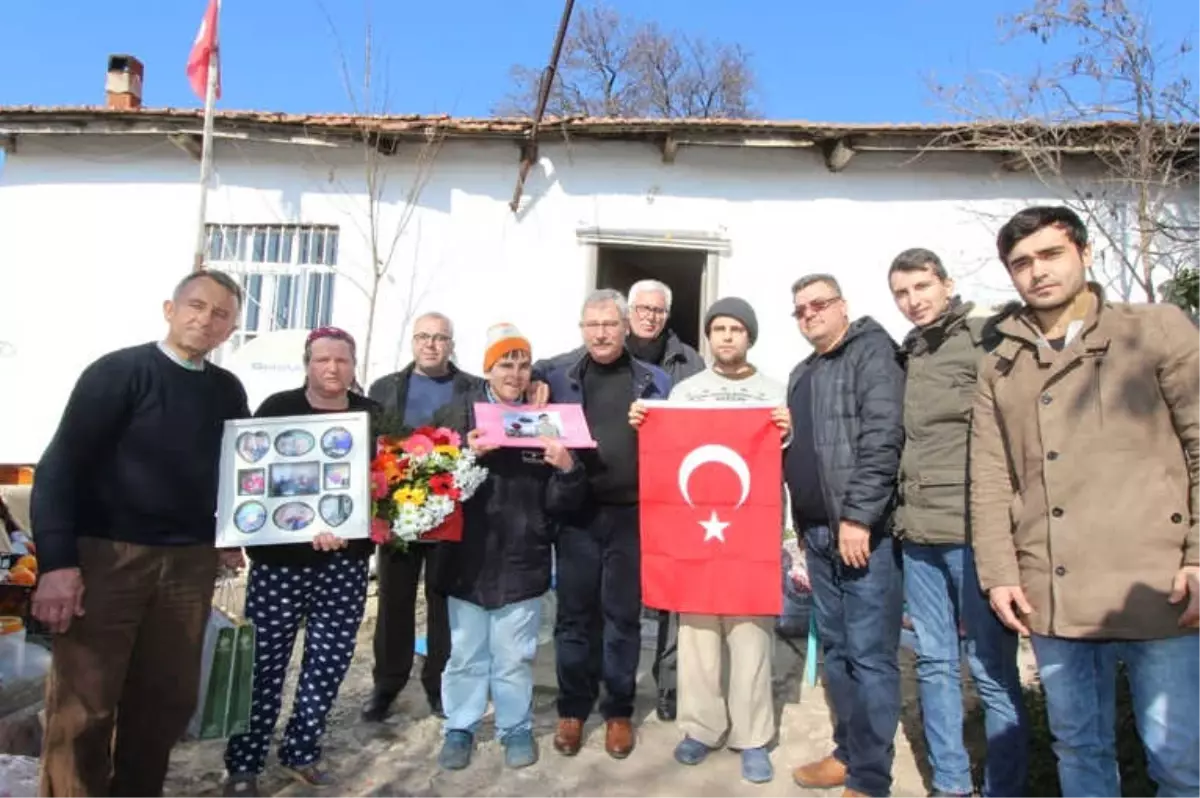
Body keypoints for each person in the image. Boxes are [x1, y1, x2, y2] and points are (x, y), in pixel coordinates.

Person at [971, 205, 1200, 798]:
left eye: (1051, 255)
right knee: (1078, 748)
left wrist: (1199, 555)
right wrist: (999, 573)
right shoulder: (1000, 364)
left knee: (1176, 757)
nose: (1037, 272)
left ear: (1085, 254)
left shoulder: (1156, 331)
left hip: (1158, 583)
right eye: (1021, 263)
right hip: (1054, 585)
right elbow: (991, 475)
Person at [31, 269, 249, 798]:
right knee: (86, 705)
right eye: (196, 305)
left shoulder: (226, 390)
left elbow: (238, 471)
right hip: (109, 557)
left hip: (189, 564)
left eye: (221, 314)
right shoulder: (120, 373)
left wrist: (231, 527)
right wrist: (58, 565)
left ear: (230, 330)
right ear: (170, 309)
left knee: (164, 703)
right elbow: (60, 467)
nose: (206, 318)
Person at [629, 297, 791, 784]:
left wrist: (789, 429)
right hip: (695, 537)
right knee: (698, 637)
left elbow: (789, 459)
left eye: (736, 329)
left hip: (750, 537)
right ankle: (700, 727)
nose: (725, 337)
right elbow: (665, 454)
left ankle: (752, 736)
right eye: (718, 328)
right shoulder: (686, 392)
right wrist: (645, 422)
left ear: (750, 337)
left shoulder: (774, 393)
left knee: (750, 640)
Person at [888, 249, 1028, 798]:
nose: (913, 300)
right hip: (918, 533)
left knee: (992, 671)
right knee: (934, 663)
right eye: (902, 292)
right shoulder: (913, 349)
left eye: (923, 286)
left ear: (947, 284)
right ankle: (950, 784)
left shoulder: (985, 335)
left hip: (973, 534)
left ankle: (1004, 788)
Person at [535, 279, 703, 720]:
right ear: (581, 328)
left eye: (610, 323)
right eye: (592, 325)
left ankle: (618, 711)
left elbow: (681, 435)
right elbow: (527, 374)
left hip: (631, 515)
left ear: (625, 326)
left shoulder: (655, 380)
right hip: (577, 514)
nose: (601, 333)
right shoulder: (560, 375)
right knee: (573, 615)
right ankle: (573, 708)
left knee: (622, 618)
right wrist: (532, 378)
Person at [223, 327, 380, 795]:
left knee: (327, 662)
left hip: (345, 564)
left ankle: (302, 751)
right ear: (307, 363)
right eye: (322, 360)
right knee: (265, 665)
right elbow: (249, 476)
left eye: (342, 360)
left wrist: (363, 519)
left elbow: (386, 486)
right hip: (279, 565)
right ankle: (244, 763)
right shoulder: (276, 408)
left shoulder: (372, 416)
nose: (332, 368)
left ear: (354, 366)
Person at [428, 323, 587, 772]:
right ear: (487, 369)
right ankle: (460, 725)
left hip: (523, 555)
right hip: (467, 559)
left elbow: (563, 503)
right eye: (505, 364)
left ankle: (514, 726)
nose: (514, 374)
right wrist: (465, 453)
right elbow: (431, 486)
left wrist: (567, 467)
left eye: (522, 364)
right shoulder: (457, 416)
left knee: (515, 655)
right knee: (465, 653)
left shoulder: (545, 422)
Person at [784, 274, 906, 798]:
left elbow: (883, 439)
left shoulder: (872, 354)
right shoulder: (803, 371)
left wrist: (858, 518)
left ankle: (871, 778)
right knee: (836, 650)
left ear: (842, 306)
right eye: (801, 310)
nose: (810, 314)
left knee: (870, 656)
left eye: (819, 304)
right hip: (815, 535)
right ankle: (847, 752)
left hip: (862, 536)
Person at [361, 312, 482, 722]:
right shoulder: (385, 388)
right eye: (423, 337)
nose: (431, 345)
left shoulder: (473, 390)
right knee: (394, 603)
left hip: (449, 513)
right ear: (413, 342)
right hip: (397, 516)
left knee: (441, 602)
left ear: (451, 344)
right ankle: (387, 684)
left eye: (440, 338)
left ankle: (438, 683)